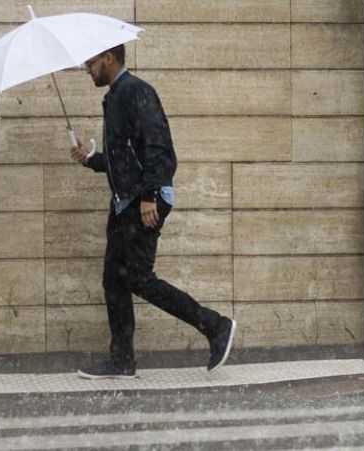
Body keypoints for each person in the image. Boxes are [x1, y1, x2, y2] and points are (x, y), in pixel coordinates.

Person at [69, 44, 235, 379]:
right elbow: (124, 159)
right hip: (125, 202)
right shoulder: (115, 96)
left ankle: (216, 326)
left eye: (90, 62)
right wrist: (92, 160)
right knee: (114, 281)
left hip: (144, 200)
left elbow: (157, 145)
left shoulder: (135, 91)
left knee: (139, 279)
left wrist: (149, 195)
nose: (87, 69)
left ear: (108, 58)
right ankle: (122, 361)